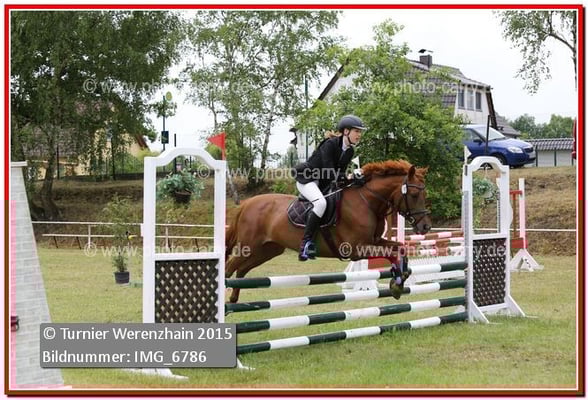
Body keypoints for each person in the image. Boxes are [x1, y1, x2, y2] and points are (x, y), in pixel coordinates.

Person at [292, 115, 366, 261]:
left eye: (360, 132)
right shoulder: (330, 144)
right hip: (308, 179)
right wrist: (349, 176)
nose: (359, 135)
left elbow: (338, 176)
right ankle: (305, 244)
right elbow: (329, 171)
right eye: (357, 131)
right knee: (320, 203)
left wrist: (355, 179)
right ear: (346, 131)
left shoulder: (350, 151)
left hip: (323, 183)